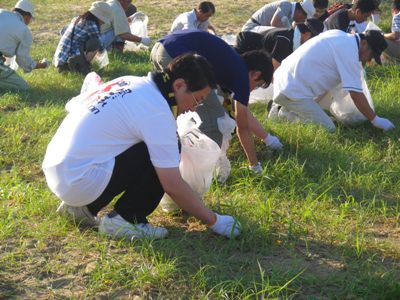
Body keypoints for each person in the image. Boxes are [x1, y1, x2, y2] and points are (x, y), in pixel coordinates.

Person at [42, 53, 241, 240]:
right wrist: (215, 221)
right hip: (79, 179)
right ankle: (126, 220)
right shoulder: (156, 110)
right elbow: (171, 184)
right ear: (179, 85)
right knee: (168, 147)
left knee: (142, 144)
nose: (194, 108)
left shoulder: (132, 82)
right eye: (198, 99)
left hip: (60, 170)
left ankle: (81, 208)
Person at [150, 30, 281, 174]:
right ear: (255, 74)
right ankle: (203, 175)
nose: (252, 90)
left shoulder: (231, 65)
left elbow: (241, 113)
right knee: (214, 122)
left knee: (171, 107)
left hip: (160, 48)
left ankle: (165, 155)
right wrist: (254, 165)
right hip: (175, 53)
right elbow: (242, 127)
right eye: (257, 85)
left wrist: (268, 139)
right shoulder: (241, 76)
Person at [270, 29, 395, 132]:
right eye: (371, 55)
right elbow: (356, 94)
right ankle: (283, 113)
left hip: (284, 79)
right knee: (329, 128)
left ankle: (288, 107)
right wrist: (376, 120)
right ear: (364, 43)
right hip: (290, 91)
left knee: (340, 82)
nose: (369, 60)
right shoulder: (349, 52)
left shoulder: (340, 36)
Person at [235, 18, 324, 70]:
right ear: (307, 34)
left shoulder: (292, 39)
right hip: (246, 46)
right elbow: (276, 68)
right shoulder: (285, 39)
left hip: (255, 53)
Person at [0, 0, 49, 91]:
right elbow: (23, 62)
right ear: (27, 16)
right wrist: (43, 65)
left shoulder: (1, 12)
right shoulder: (25, 31)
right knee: (23, 87)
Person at [53, 2, 112, 75]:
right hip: (72, 53)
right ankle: (82, 64)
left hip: (60, 59)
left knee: (89, 41)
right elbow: (100, 44)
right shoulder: (91, 24)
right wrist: (104, 56)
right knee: (95, 42)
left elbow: (62, 31)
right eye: (103, 20)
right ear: (99, 17)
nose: (103, 23)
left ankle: (74, 64)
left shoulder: (77, 19)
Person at [241, 0, 316, 34]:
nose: (303, 21)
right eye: (304, 18)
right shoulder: (286, 5)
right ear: (299, 12)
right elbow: (274, 23)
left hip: (258, 30)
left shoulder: (291, 16)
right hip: (250, 29)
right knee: (281, 34)